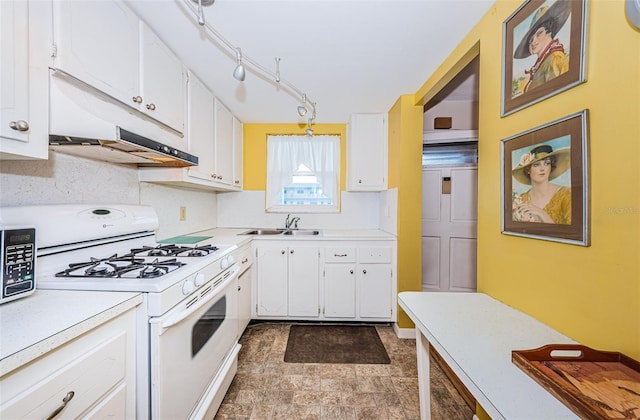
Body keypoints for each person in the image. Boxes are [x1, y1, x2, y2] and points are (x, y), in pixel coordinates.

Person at [514, 0, 572, 93]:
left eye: (539, 33)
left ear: (549, 32)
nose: (533, 42)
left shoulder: (555, 58)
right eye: (530, 40)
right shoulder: (542, 63)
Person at [512, 144, 571, 224]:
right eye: (536, 165)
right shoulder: (522, 199)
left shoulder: (566, 194)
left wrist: (542, 214)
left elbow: (573, 233)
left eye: (547, 163)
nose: (542, 169)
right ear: (528, 170)